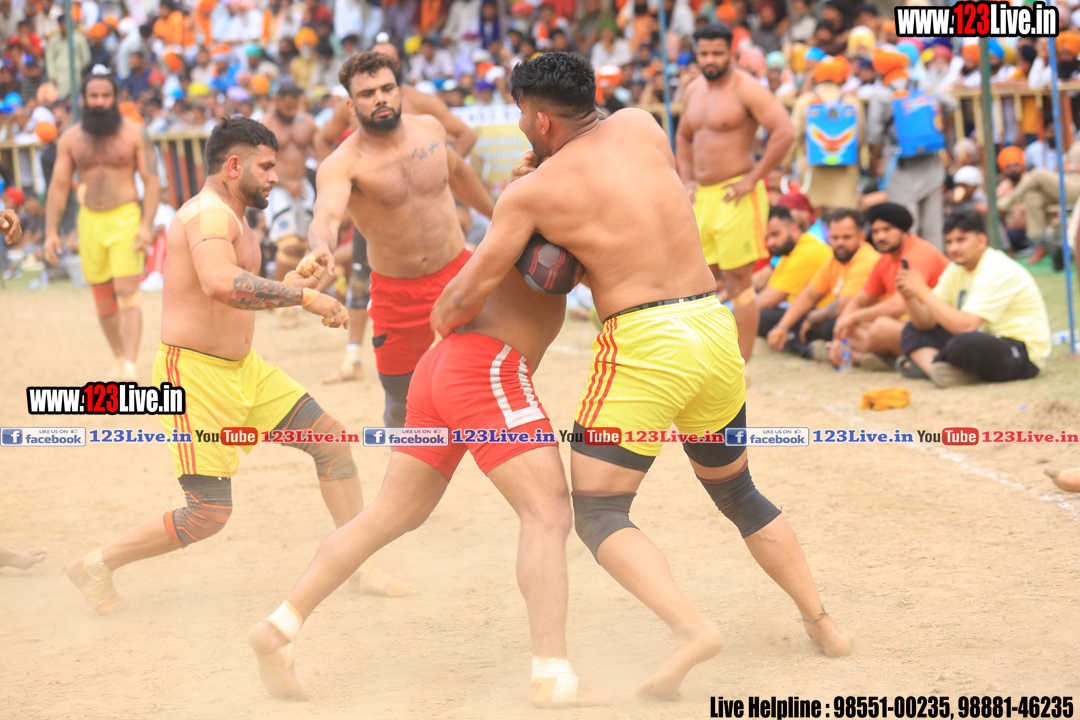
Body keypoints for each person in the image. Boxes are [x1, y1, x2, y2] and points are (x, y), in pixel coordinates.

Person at [433, 52, 850, 699]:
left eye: (520, 114)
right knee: (739, 492)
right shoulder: (643, 124)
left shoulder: (531, 193)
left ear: (540, 121)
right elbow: (615, 180)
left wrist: (438, 316)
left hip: (646, 340)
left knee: (599, 512)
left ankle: (691, 631)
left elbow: (464, 299)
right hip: (711, 325)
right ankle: (823, 624)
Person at [247, 175, 613, 714]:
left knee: (389, 513)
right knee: (548, 512)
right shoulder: (561, 202)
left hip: (439, 367)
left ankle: (281, 624)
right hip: (487, 368)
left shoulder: (531, 202)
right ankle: (552, 675)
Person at [65, 117, 409, 617]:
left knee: (331, 443)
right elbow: (220, 284)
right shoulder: (208, 215)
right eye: (265, 167)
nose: (275, 176)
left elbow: (237, 296)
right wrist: (304, 297)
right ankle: (96, 565)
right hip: (193, 379)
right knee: (207, 514)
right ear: (233, 166)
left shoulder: (235, 217)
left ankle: (357, 565)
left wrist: (292, 284)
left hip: (244, 369)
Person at [303, 52, 494, 427]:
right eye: (367, 93)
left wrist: (498, 214)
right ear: (350, 106)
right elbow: (325, 213)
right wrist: (320, 246)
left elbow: (457, 173)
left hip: (458, 276)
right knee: (400, 404)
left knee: (485, 382)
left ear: (399, 90)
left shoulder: (430, 129)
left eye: (387, 88)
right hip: (398, 294)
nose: (380, 98)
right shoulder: (343, 162)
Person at [676, 23, 795, 364]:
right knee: (698, 280)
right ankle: (707, 359)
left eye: (717, 53)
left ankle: (741, 365)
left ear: (731, 53)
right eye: (703, 54)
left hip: (738, 195)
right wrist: (687, 180)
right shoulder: (693, 89)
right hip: (702, 197)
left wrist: (754, 177)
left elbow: (784, 131)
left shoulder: (747, 88)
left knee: (739, 282)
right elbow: (684, 137)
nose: (710, 60)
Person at [44, 71, 161, 382]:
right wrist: (51, 232)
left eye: (106, 96)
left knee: (126, 290)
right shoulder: (71, 138)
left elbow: (152, 182)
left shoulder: (135, 133)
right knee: (102, 297)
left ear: (116, 98)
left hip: (126, 219)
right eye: (93, 96)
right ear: (83, 99)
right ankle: (120, 358)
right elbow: (58, 186)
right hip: (89, 222)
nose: (99, 101)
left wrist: (146, 225)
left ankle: (131, 365)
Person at [895, 210, 1051, 387]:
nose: (954, 248)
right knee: (912, 329)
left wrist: (923, 291)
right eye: (949, 242)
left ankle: (930, 365)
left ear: (981, 241)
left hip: (1020, 352)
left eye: (961, 240)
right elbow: (926, 323)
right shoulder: (956, 268)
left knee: (965, 342)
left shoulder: (995, 268)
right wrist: (910, 295)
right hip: (985, 338)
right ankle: (937, 371)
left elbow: (965, 326)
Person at [828, 202, 948, 370]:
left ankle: (859, 357)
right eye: (876, 232)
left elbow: (897, 307)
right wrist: (838, 336)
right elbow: (859, 301)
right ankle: (858, 354)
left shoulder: (917, 253)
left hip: (937, 329)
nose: (880, 237)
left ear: (903, 230)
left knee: (880, 327)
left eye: (887, 230)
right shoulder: (885, 259)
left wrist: (853, 318)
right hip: (910, 328)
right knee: (852, 328)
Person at [867, 45, 957, 251]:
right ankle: (937, 265)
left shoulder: (882, 94)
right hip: (930, 162)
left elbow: (874, 134)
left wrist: (875, 161)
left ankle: (909, 263)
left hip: (899, 167)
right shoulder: (922, 85)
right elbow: (951, 104)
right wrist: (940, 133)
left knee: (906, 223)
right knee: (933, 225)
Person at [766, 209, 879, 359]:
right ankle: (807, 346)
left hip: (865, 322)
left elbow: (843, 305)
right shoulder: (834, 259)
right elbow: (809, 295)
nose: (840, 243)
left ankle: (810, 347)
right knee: (779, 319)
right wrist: (782, 327)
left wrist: (812, 318)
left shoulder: (866, 260)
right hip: (836, 319)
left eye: (846, 237)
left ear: (861, 237)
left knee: (828, 326)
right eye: (835, 237)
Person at [260, 83, 319, 328]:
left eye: (295, 106)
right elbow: (258, 162)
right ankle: (278, 298)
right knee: (289, 245)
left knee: (306, 246)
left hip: (303, 187)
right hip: (278, 188)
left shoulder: (307, 123)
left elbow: (322, 151)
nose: (292, 111)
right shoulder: (265, 124)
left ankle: (291, 296)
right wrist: (284, 182)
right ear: (277, 101)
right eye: (287, 106)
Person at [787, 55, 863, 211]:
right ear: (842, 77)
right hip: (845, 175)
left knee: (813, 217)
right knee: (842, 219)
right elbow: (860, 138)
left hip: (812, 174)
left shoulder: (806, 101)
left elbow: (793, 137)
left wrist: (785, 165)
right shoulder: (852, 102)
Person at [756, 206, 832, 337]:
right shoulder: (790, 251)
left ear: (794, 229)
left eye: (775, 234)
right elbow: (767, 291)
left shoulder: (806, 252)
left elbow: (766, 301)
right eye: (767, 237)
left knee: (761, 317)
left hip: (825, 319)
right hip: (811, 313)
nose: (770, 242)